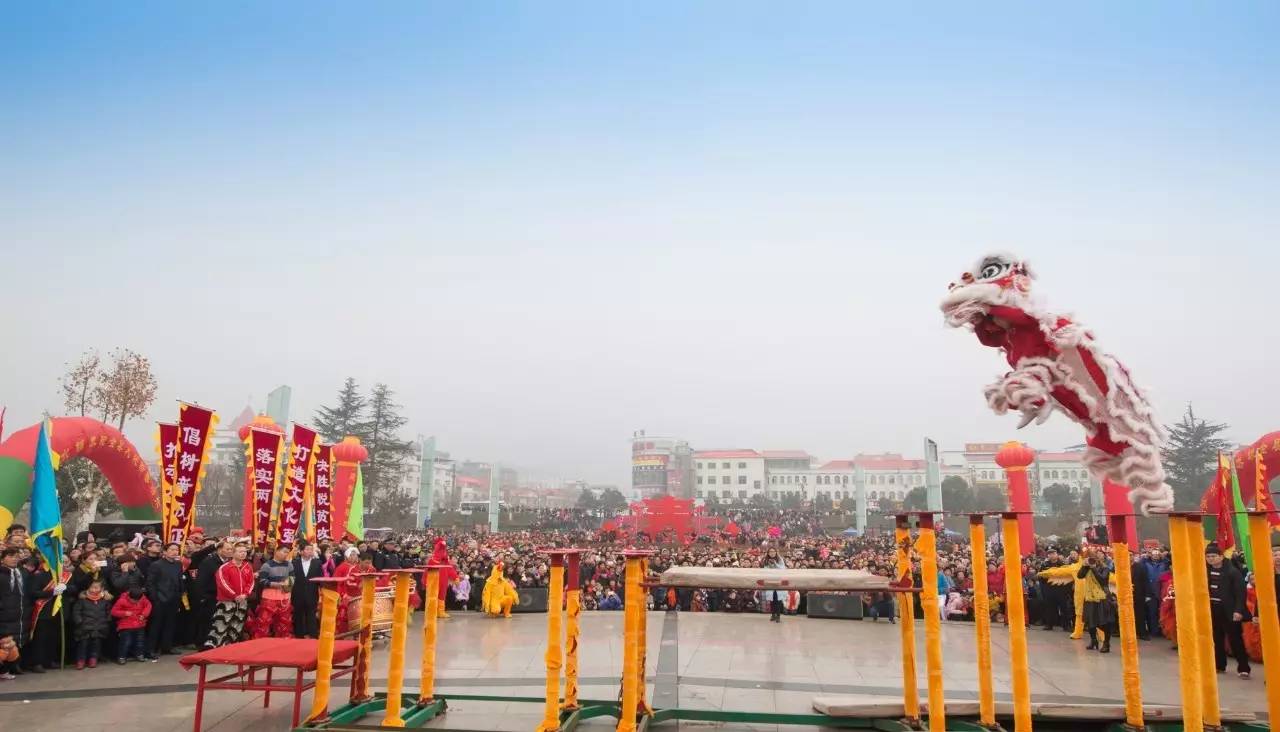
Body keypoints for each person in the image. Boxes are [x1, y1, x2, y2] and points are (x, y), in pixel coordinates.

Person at [1204, 542, 1251, 678]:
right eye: (1208, 556)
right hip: (1213, 610)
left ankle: (1243, 668)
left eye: (1213, 556)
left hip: (1230, 611)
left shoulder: (1232, 572)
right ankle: (1219, 665)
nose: (1211, 559)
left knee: (1235, 639)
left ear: (1221, 556)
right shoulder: (1205, 570)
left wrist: (1238, 611)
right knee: (1216, 639)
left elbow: (1240, 594)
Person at [206, 543, 254, 648]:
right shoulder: (225, 567)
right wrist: (234, 595)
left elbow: (251, 582)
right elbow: (223, 583)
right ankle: (215, 647)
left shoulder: (248, 566)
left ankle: (231, 647)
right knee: (221, 625)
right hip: (226, 601)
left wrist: (245, 595)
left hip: (242, 601)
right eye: (240, 551)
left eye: (245, 551)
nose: (243, 554)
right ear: (233, 553)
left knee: (237, 625)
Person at [145, 542, 184, 660]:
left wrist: (180, 593)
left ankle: (167, 646)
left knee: (170, 624)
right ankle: (151, 649)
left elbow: (179, 580)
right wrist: (155, 598)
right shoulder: (156, 565)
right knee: (156, 625)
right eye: (171, 549)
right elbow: (150, 583)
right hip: (160, 599)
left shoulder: (178, 564)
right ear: (165, 551)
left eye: (176, 550)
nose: (174, 552)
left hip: (174, 598)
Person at [1077, 549, 1116, 653]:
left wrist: (1094, 569)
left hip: (1102, 598)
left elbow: (1102, 580)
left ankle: (1106, 643)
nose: (1091, 560)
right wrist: (1085, 566)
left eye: (1092, 558)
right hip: (1089, 597)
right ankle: (1093, 641)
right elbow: (1079, 576)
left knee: (1103, 623)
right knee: (1090, 621)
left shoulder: (1105, 568)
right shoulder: (1087, 567)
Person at [193, 542, 231, 644]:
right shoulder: (209, 561)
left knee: (218, 621)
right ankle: (202, 644)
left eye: (231, 549)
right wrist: (202, 596)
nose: (230, 551)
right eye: (227, 549)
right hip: (209, 595)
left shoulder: (228, 562)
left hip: (222, 596)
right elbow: (201, 580)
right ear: (219, 549)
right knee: (206, 621)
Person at [0, 548, 29, 679]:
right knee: (4, 644)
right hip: (4, 614)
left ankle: (10, 668)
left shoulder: (22, 573)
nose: (14, 558)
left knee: (13, 644)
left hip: (20, 613)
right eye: (10, 556)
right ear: (3, 558)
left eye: (16, 556)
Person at [253, 545, 293, 639]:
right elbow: (262, 581)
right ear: (276, 551)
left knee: (285, 623)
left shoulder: (289, 565)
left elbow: (292, 578)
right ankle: (261, 642)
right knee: (264, 622)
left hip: (284, 598)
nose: (286, 554)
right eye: (284, 552)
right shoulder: (267, 565)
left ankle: (283, 642)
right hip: (269, 598)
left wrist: (289, 583)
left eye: (287, 552)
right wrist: (276, 584)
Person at [111, 584, 151, 664]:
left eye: (137, 601)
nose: (135, 602)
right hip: (126, 625)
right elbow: (113, 612)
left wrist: (144, 615)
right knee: (126, 642)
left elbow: (148, 605)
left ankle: (139, 654)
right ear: (129, 596)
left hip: (139, 623)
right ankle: (122, 657)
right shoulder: (122, 600)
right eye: (134, 600)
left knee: (140, 641)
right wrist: (124, 613)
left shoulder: (143, 598)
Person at [291, 542, 324, 639]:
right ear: (301, 551)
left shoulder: (317, 563)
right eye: (307, 549)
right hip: (297, 594)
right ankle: (299, 636)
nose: (310, 551)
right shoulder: (294, 562)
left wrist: (322, 589)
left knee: (311, 616)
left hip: (312, 593)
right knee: (298, 616)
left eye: (311, 549)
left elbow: (320, 578)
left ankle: (313, 635)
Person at [763, 547, 786, 622]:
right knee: (772, 600)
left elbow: (783, 569)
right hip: (770, 581)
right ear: (768, 553)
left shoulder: (780, 559)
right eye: (770, 552)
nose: (772, 553)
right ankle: (773, 615)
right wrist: (770, 566)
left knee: (778, 600)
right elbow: (765, 570)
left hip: (778, 581)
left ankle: (778, 616)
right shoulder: (765, 560)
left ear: (776, 552)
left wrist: (775, 564)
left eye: (773, 551)